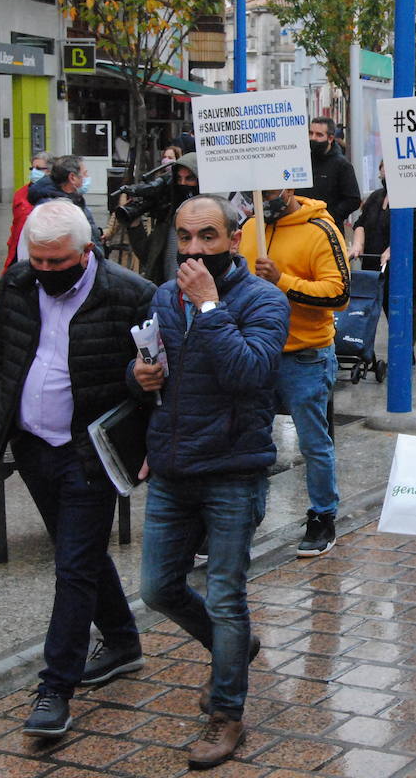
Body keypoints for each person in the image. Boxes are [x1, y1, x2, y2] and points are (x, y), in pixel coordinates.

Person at [0, 200, 155, 738]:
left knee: (73, 567)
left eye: (58, 262)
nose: (47, 271)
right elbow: (1, 353)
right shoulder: (16, 283)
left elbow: (151, 377)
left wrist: (141, 394)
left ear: (87, 252)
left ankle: (55, 688)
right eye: (39, 261)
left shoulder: (130, 293)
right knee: (75, 551)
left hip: (91, 450)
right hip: (34, 445)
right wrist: (6, 411)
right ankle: (124, 642)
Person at [131, 195, 289, 769]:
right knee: (157, 588)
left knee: (226, 595)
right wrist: (140, 374)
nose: (194, 249)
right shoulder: (163, 296)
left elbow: (250, 372)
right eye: (185, 237)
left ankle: (226, 714)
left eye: (208, 237)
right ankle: (235, 650)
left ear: (233, 239)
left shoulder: (264, 300)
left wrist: (208, 306)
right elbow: (156, 370)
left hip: (233, 470)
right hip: (173, 468)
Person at [239, 185, 350, 558]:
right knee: (250, 440)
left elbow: (338, 293)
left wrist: (281, 281)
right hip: (256, 353)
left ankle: (322, 515)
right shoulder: (250, 226)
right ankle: (242, 518)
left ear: (288, 186)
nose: (261, 197)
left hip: (305, 355)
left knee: (313, 443)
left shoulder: (320, 229)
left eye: (268, 190)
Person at [350, 161, 416, 343]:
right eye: (384, 169)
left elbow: (415, 228)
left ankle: (407, 359)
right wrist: (357, 245)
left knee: (405, 328)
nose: (387, 173)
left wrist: (394, 249)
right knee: (392, 319)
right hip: (380, 273)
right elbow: (361, 223)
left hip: (413, 273)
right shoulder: (376, 197)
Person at [125, 153, 201, 284]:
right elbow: (149, 256)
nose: (183, 184)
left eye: (189, 178)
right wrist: (134, 224)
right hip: (167, 294)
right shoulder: (168, 218)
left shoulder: (211, 221)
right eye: (179, 178)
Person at [27, 155, 101, 249]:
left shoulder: (73, 198)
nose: (87, 178)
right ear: (72, 178)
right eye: (85, 174)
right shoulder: (54, 209)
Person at [302, 117, 362, 226]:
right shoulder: (303, 161)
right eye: (311, 133)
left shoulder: (342, 165)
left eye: (319, 135)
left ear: (330, 138)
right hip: (302, 227)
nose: (313, 138)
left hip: (329, 230)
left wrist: (329, 215)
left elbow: (353, 200)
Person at [5, 150, 51, 272]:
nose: (34, 172)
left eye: (39, 168)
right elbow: (15, 224)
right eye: (32, 168)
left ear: (50, 171)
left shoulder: (55, 194)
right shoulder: (20, 193)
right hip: (20, 251)